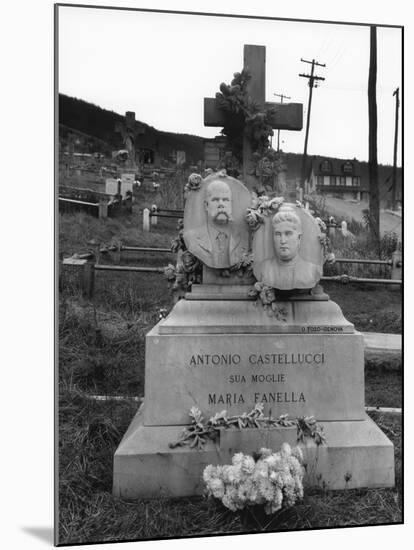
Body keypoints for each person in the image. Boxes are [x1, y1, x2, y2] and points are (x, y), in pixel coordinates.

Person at [185, 179, 247, 269]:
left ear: (231, 204)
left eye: (225, 200)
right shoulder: (191, 238)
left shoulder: (244, 237)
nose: (221, 204)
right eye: (215, 200)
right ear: (206, 205)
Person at [258, 209, 322, 290]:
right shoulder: (265, 269)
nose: (283, 241)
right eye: (278, 234)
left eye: (288, 234)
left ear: (299, 238)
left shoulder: (312, 271)